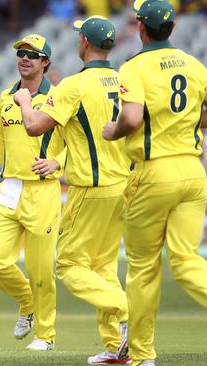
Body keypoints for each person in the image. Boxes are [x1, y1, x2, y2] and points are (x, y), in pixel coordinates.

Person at [12, 16, 132, 365]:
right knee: (103, 267)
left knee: (68, 265)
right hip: (121, 185)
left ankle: (128, 312)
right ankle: (116, 346)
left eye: (79, 36)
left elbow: (34, 126)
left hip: (91, 188)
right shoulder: (123, 80)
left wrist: (23, 101)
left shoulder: (73, 85)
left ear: (84, 44)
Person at [102, 2, 207, 365]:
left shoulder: (133, 67)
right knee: (187, 260)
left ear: (141, 28)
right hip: (193, 171)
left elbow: (130, 119)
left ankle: (142, 355)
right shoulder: (196, 66)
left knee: (144, 267)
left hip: (153, 171)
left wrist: (112, 131)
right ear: (173, 27)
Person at [0, 34, 64, 352]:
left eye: (33, 55)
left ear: (45, 62)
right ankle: (28, 303)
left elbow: (76, 143)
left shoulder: (59, 97)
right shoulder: (6, 96)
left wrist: (56, 162)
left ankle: (45, 335)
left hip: (43, 190)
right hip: (9, 186)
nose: (25, 59)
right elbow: (2, 138)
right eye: (21, 53)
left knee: (40, 269)